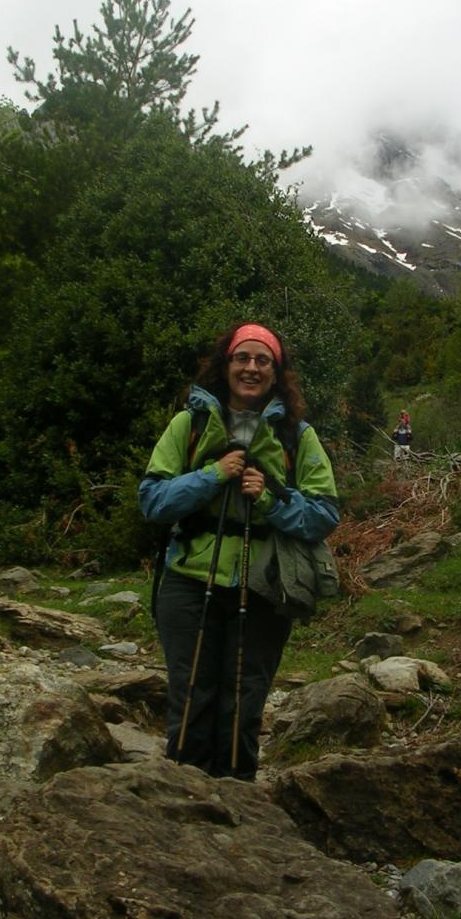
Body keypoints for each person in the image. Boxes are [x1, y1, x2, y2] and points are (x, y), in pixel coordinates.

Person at [138, 322, 339, 780]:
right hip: (190, 582)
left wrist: (270, 498)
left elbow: (324, 512)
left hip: (263, 587)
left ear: (276, 371)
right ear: (225, 365)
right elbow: (152, 500)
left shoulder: (296, 436)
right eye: (241, 358)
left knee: (244, 701)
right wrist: (213, 475)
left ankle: (238, 807)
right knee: (190, 697)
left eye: (262, 360)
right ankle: (185, 805)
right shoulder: (189, 424)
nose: (251, 368)